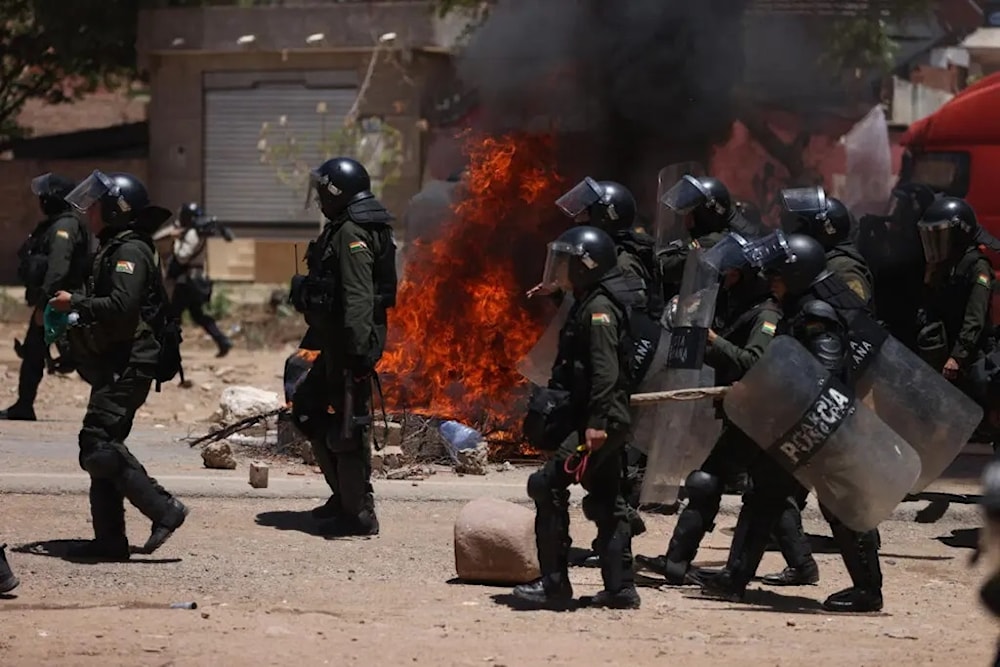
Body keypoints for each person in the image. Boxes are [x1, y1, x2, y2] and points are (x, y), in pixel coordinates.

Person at [701, 234, 884, 612]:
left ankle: (868, 591)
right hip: (794, 426)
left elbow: (824, 373)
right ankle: (733, 579)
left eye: (779, 274)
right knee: (763, 495)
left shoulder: (817, 313)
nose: (772, 279)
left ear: (798, 274)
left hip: (821, 427)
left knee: (841, 507)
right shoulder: (800, 306)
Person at [635, 233, 793, 585]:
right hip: (743, 413)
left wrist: (712, 340)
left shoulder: (766, 314)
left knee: (715, 483)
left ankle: (678, 562)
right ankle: (800, 564)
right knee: (766, 489)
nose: (725, 279)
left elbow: (753, 361)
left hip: (761, 416)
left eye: (732, 273)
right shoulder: (741, 306)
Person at [52, 170, 189, 560]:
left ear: (114, 210)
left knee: (96, 444)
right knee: (104, 447)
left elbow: (122, 308)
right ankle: (109, 541)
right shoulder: (116, 246)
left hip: (130, 362)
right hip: (116, 360)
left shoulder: (129, 251)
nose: (89, 212)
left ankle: (164, 509)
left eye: (95, 205)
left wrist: (74, 304)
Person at [514, 225, 643, 610]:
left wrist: (598, 424)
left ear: (586, 266)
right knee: (607, 500)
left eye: (568, 262)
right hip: (601, 419)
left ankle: (554, 585)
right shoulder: (590, 300)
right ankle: (620, 589)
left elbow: (605, 372)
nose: (561, 267)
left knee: (546, 484)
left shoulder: (600, 311)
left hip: (599, 422)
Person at [289, 157, 397, 537]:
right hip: (338, 345)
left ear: (338, 192)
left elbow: (356, 298)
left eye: (323, 191)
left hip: (349, 349)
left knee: (348, 428)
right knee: (307, 408)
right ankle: (346, 497)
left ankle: (358, 514)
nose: (318, 199)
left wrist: (357, 356)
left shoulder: (352, 231)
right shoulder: (351, 225)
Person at [1, 173, 90, 421]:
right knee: (33, 352)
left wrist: (44, 304)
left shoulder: (65, 227)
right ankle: (24, 405)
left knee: (83, 357)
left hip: (61, 302)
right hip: (54, 301)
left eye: (45, 196)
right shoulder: (57, 224)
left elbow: (58, 269)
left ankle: (115, 403)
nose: (41, 200)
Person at [916, 197, 996, 395]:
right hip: (945, 348)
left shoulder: (978, 267)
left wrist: (957, 357)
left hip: (969, 356)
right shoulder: (945, 265)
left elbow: (974, 318)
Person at [658, 175, 764, 299]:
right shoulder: (711, 233)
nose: (683, 218)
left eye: (689, 212)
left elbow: (667, 268)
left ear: (703, 215)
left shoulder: (712, 242)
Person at [779, 186, 873, 304]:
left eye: (801, 225)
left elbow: (855, 316)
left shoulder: (842, 268)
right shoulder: (815, 262)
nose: (795, 231)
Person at [163, 203, 233, 358]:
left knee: (173, 315)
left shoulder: (192, 234)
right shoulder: (198, 233)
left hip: (186, 281)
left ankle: (169, 350)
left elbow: (182, 257)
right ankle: (222, 341)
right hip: (193, 280)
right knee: (198, 315)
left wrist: (176, 241)